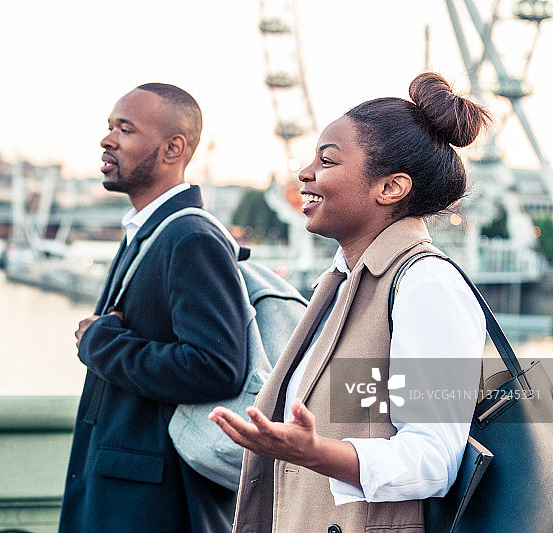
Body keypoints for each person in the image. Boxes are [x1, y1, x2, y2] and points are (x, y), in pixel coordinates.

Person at [209, 71, 491, 532]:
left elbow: (435, 458)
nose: (305, 173)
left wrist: (320, 453)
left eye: (328, 161)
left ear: (390, 188)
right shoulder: (339, 284)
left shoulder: (426, 285)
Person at [58, 83, 248, 533]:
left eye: (125, 129)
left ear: (172, 148)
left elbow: (217, 366)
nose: (108, 140)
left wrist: (100, 343)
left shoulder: (190, 238)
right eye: (109, 128)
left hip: (151, 504)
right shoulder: (149, 231)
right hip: (122, 488)